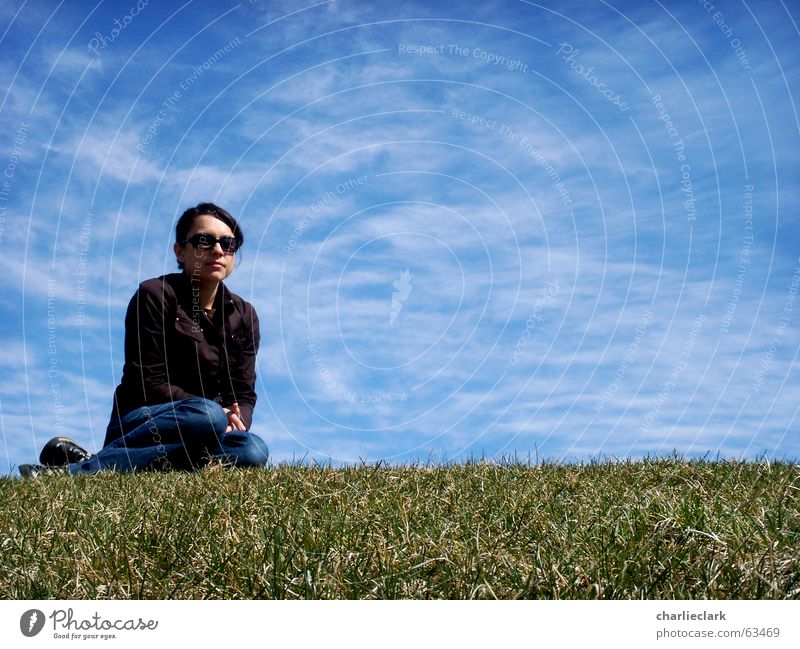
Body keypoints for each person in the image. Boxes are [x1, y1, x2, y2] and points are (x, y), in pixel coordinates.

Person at [20, 203, 269, 476]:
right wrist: (215, 414)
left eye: (228, 244)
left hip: (211, 428)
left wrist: (236, 420)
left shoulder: (244, 315)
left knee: (253, 450)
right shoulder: (154, 295)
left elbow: (243, 393)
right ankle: (77, 473)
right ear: (180, 251)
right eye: (203, 241)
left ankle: (114, 461)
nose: (218, 250)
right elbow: (147, 382)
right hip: (145, 422)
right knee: (205, 415)